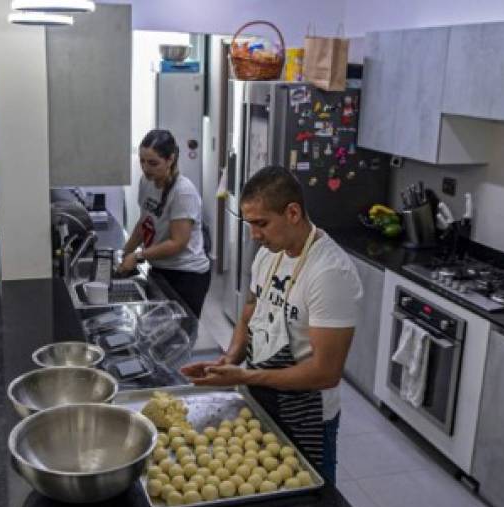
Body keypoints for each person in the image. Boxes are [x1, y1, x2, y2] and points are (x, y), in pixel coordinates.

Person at [181, 166, 361, 483]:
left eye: (261, 223)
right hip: (263, 395)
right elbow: (252, 307)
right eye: (249, 224)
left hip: (306, 412)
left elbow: (326, 373)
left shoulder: (329, 273)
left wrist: (248, 376)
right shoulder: (268, 254)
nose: (254, 234)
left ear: (292, 212)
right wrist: (230, 359)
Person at [118, 129, 212, 317]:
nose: (146, 168)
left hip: (186, 275)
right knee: (157, 333)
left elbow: (178, 243)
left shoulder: (183, 192)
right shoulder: (146, 182)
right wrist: (125, 253)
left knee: (180, 337)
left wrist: (138, 256)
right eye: (142, 161)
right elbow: (144, 223)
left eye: (153, 163)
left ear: (170, 159)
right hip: (160, 269)